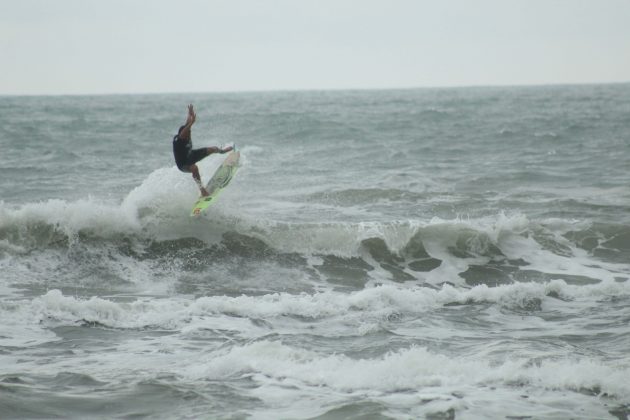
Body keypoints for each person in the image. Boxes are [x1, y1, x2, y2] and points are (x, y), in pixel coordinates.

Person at [172, 104, 233, 196]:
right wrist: (192, 122)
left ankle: (223, 151)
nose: (190, 134)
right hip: (183, 164)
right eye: (188, 132)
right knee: (194, 168)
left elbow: (187, 125)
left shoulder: (185, 133)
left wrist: (190, 114)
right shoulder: (180, 139)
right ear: (183, 135)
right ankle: (202, 190)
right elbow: (186, 129)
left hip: (191, 155)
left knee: (213, 149)